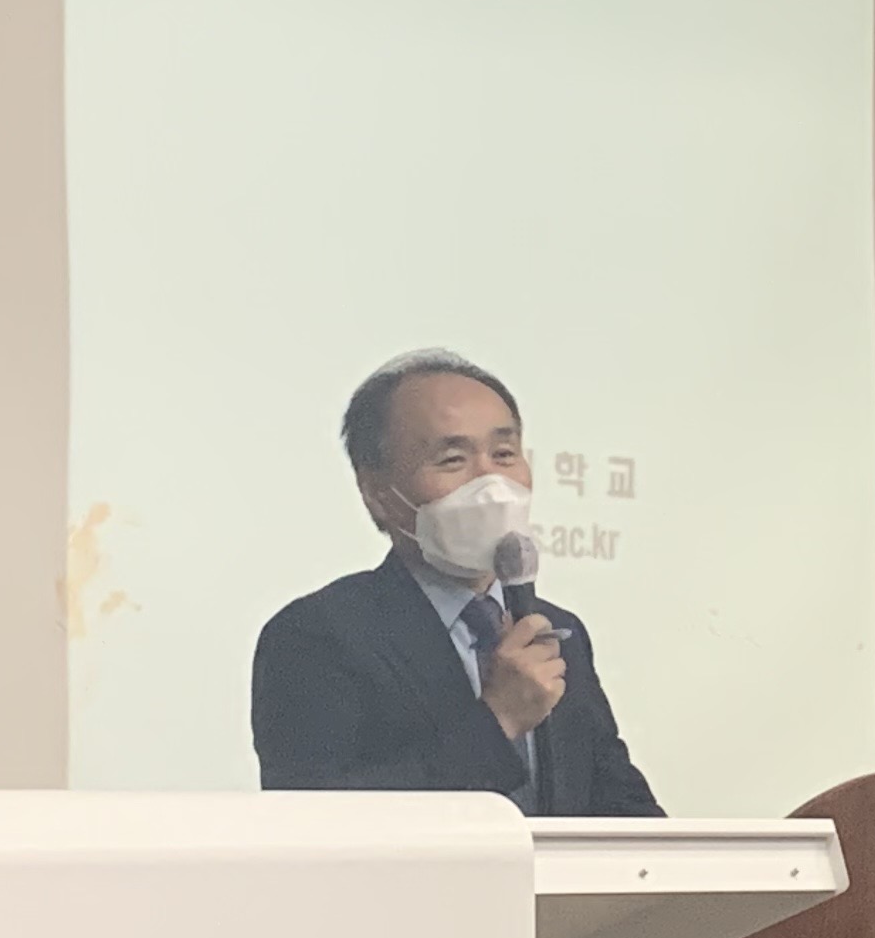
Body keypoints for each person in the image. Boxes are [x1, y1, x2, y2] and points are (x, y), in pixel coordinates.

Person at [250, 349, 664, 818]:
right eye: (453, 459)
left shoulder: (556, 631)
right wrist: (499, 718)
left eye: (504, 455)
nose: (491, 483)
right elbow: (317, 821)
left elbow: (620, 806)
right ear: (377, 493)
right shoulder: (317, 635)